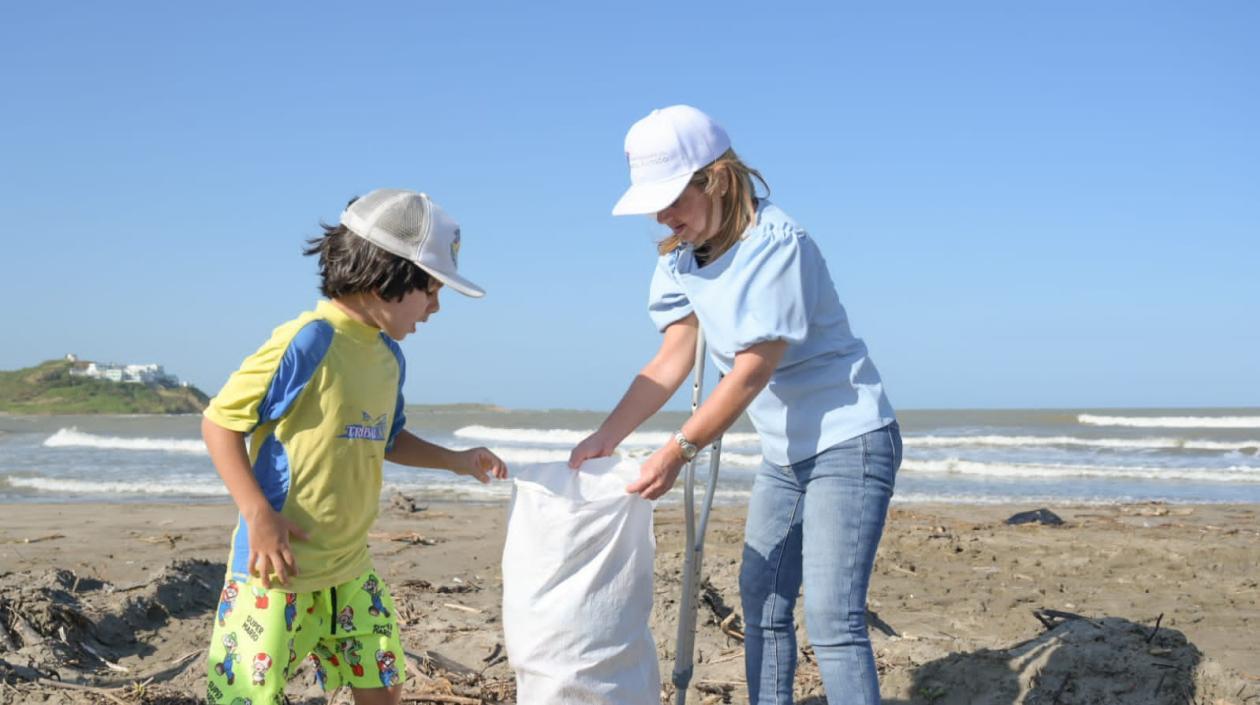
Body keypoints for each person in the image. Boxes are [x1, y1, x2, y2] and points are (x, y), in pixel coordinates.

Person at [569, 106, 901, 705]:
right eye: (654, 203)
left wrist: (678, 451)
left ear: (716, 178)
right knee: (763, 599)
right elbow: (672, 358)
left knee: (832, 619)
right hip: (784, 451)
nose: (663, 215)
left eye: (673, 198)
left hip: (849, 438)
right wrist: (607, 436)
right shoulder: (678, 257)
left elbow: (751, 369)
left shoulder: (779, 243)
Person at [201, 189, 508, 705]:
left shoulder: (388, 357)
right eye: (430, 290)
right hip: (277, 570)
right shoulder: (309, 340)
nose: (434, 308)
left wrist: (455, 461)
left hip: (350, 566)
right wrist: (258, 515)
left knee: (382, 682)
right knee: (248, 697)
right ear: (384, 276)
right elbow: (220, 423)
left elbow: (387, 437)